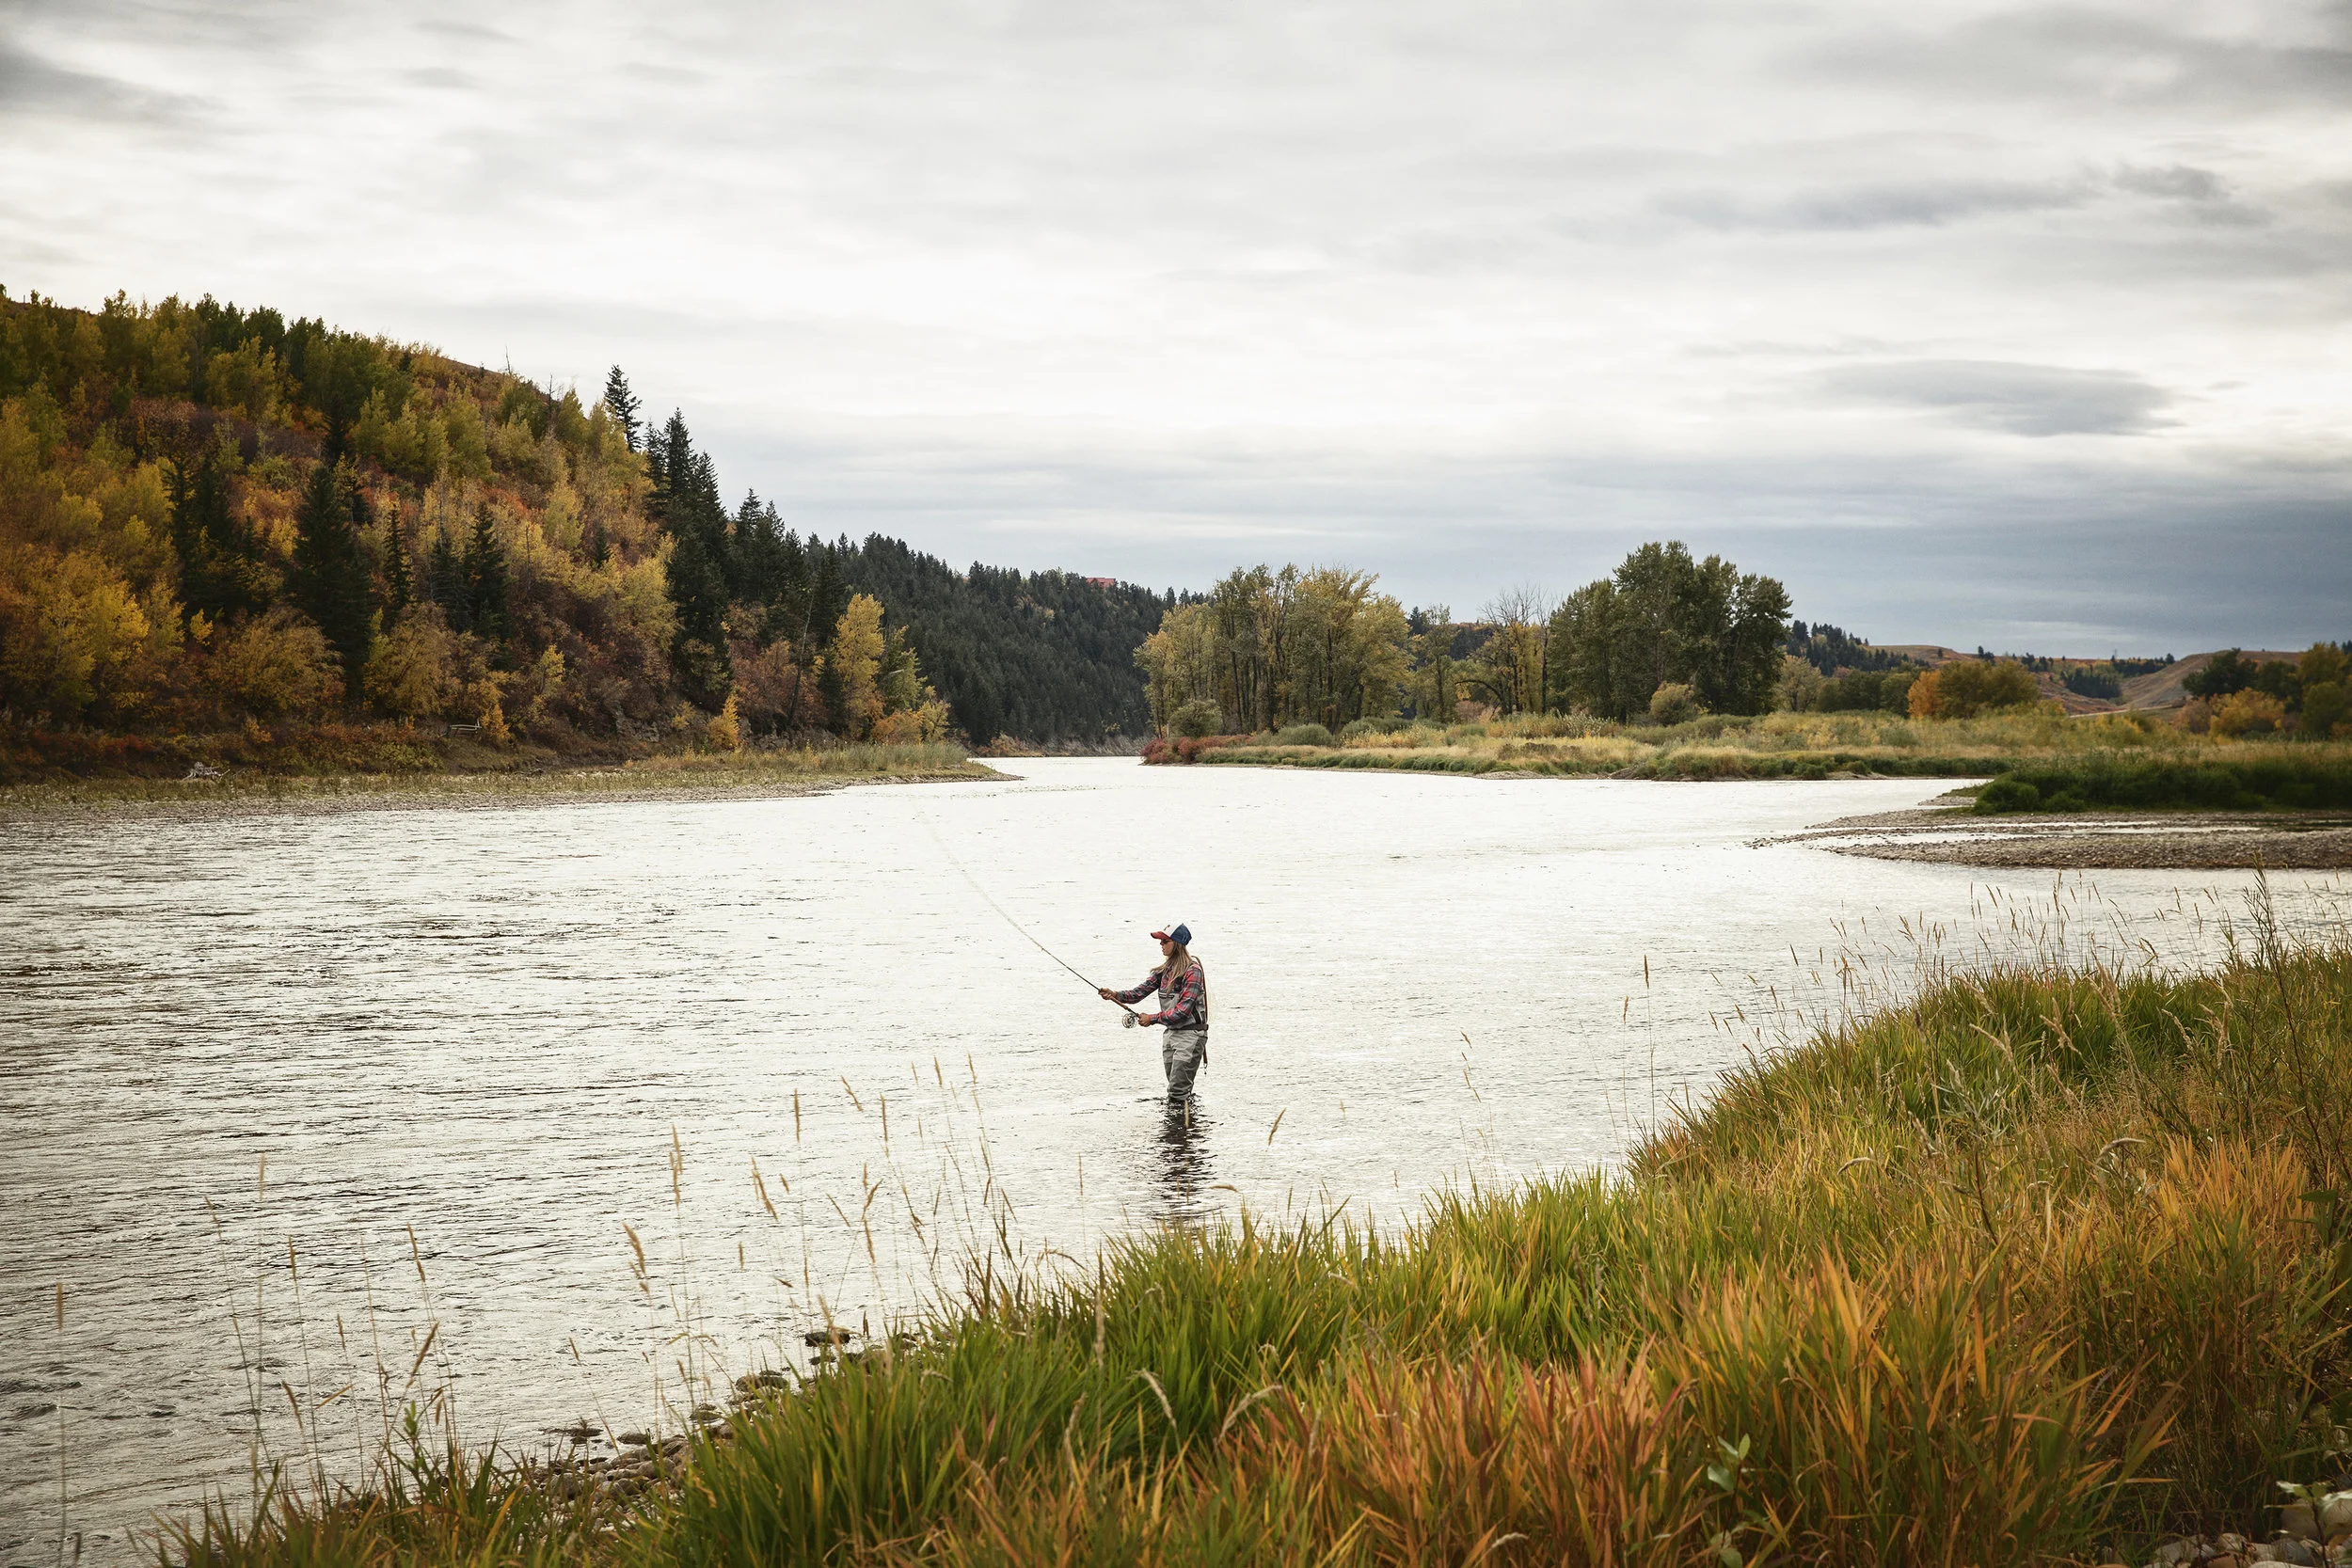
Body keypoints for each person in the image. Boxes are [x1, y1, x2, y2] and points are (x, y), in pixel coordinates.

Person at [1101, 923, 1209, 1101]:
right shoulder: (1163, 972)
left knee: (1177, 1091)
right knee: (1177, 1090)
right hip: (1171, 1034)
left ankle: (1182, 1125)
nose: (1161, 944)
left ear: (1177, 944)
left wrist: (1152, 1019)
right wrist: (1114, 995)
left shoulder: (1193, 972)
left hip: (1191, 1035)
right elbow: (1137, 993)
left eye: (1165, 941)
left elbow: (1182, 1011)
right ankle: (1184, 1124)